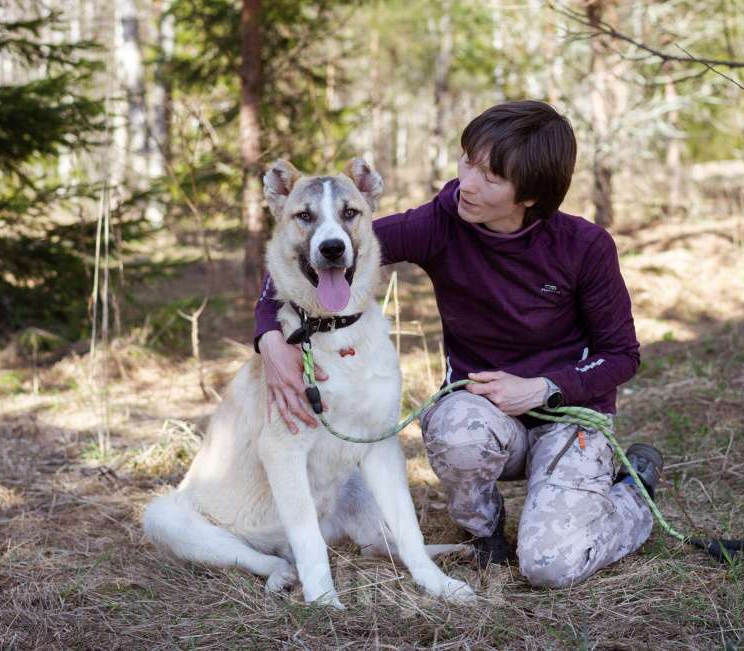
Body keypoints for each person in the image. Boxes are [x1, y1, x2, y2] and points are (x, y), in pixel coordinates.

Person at [252, 99, 663, 588]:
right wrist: (269, 337)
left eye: (490, 177)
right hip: (483, 417)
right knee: (453, 429)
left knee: (549, 566)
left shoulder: (585, 247)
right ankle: (485, 530)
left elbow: (622, 355)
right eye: (468, 160)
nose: (467, 182)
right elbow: (321, 249)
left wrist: (544, 387)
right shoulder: (442, 223)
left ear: (529, 194)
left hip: (567, 413)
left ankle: (633, 493)